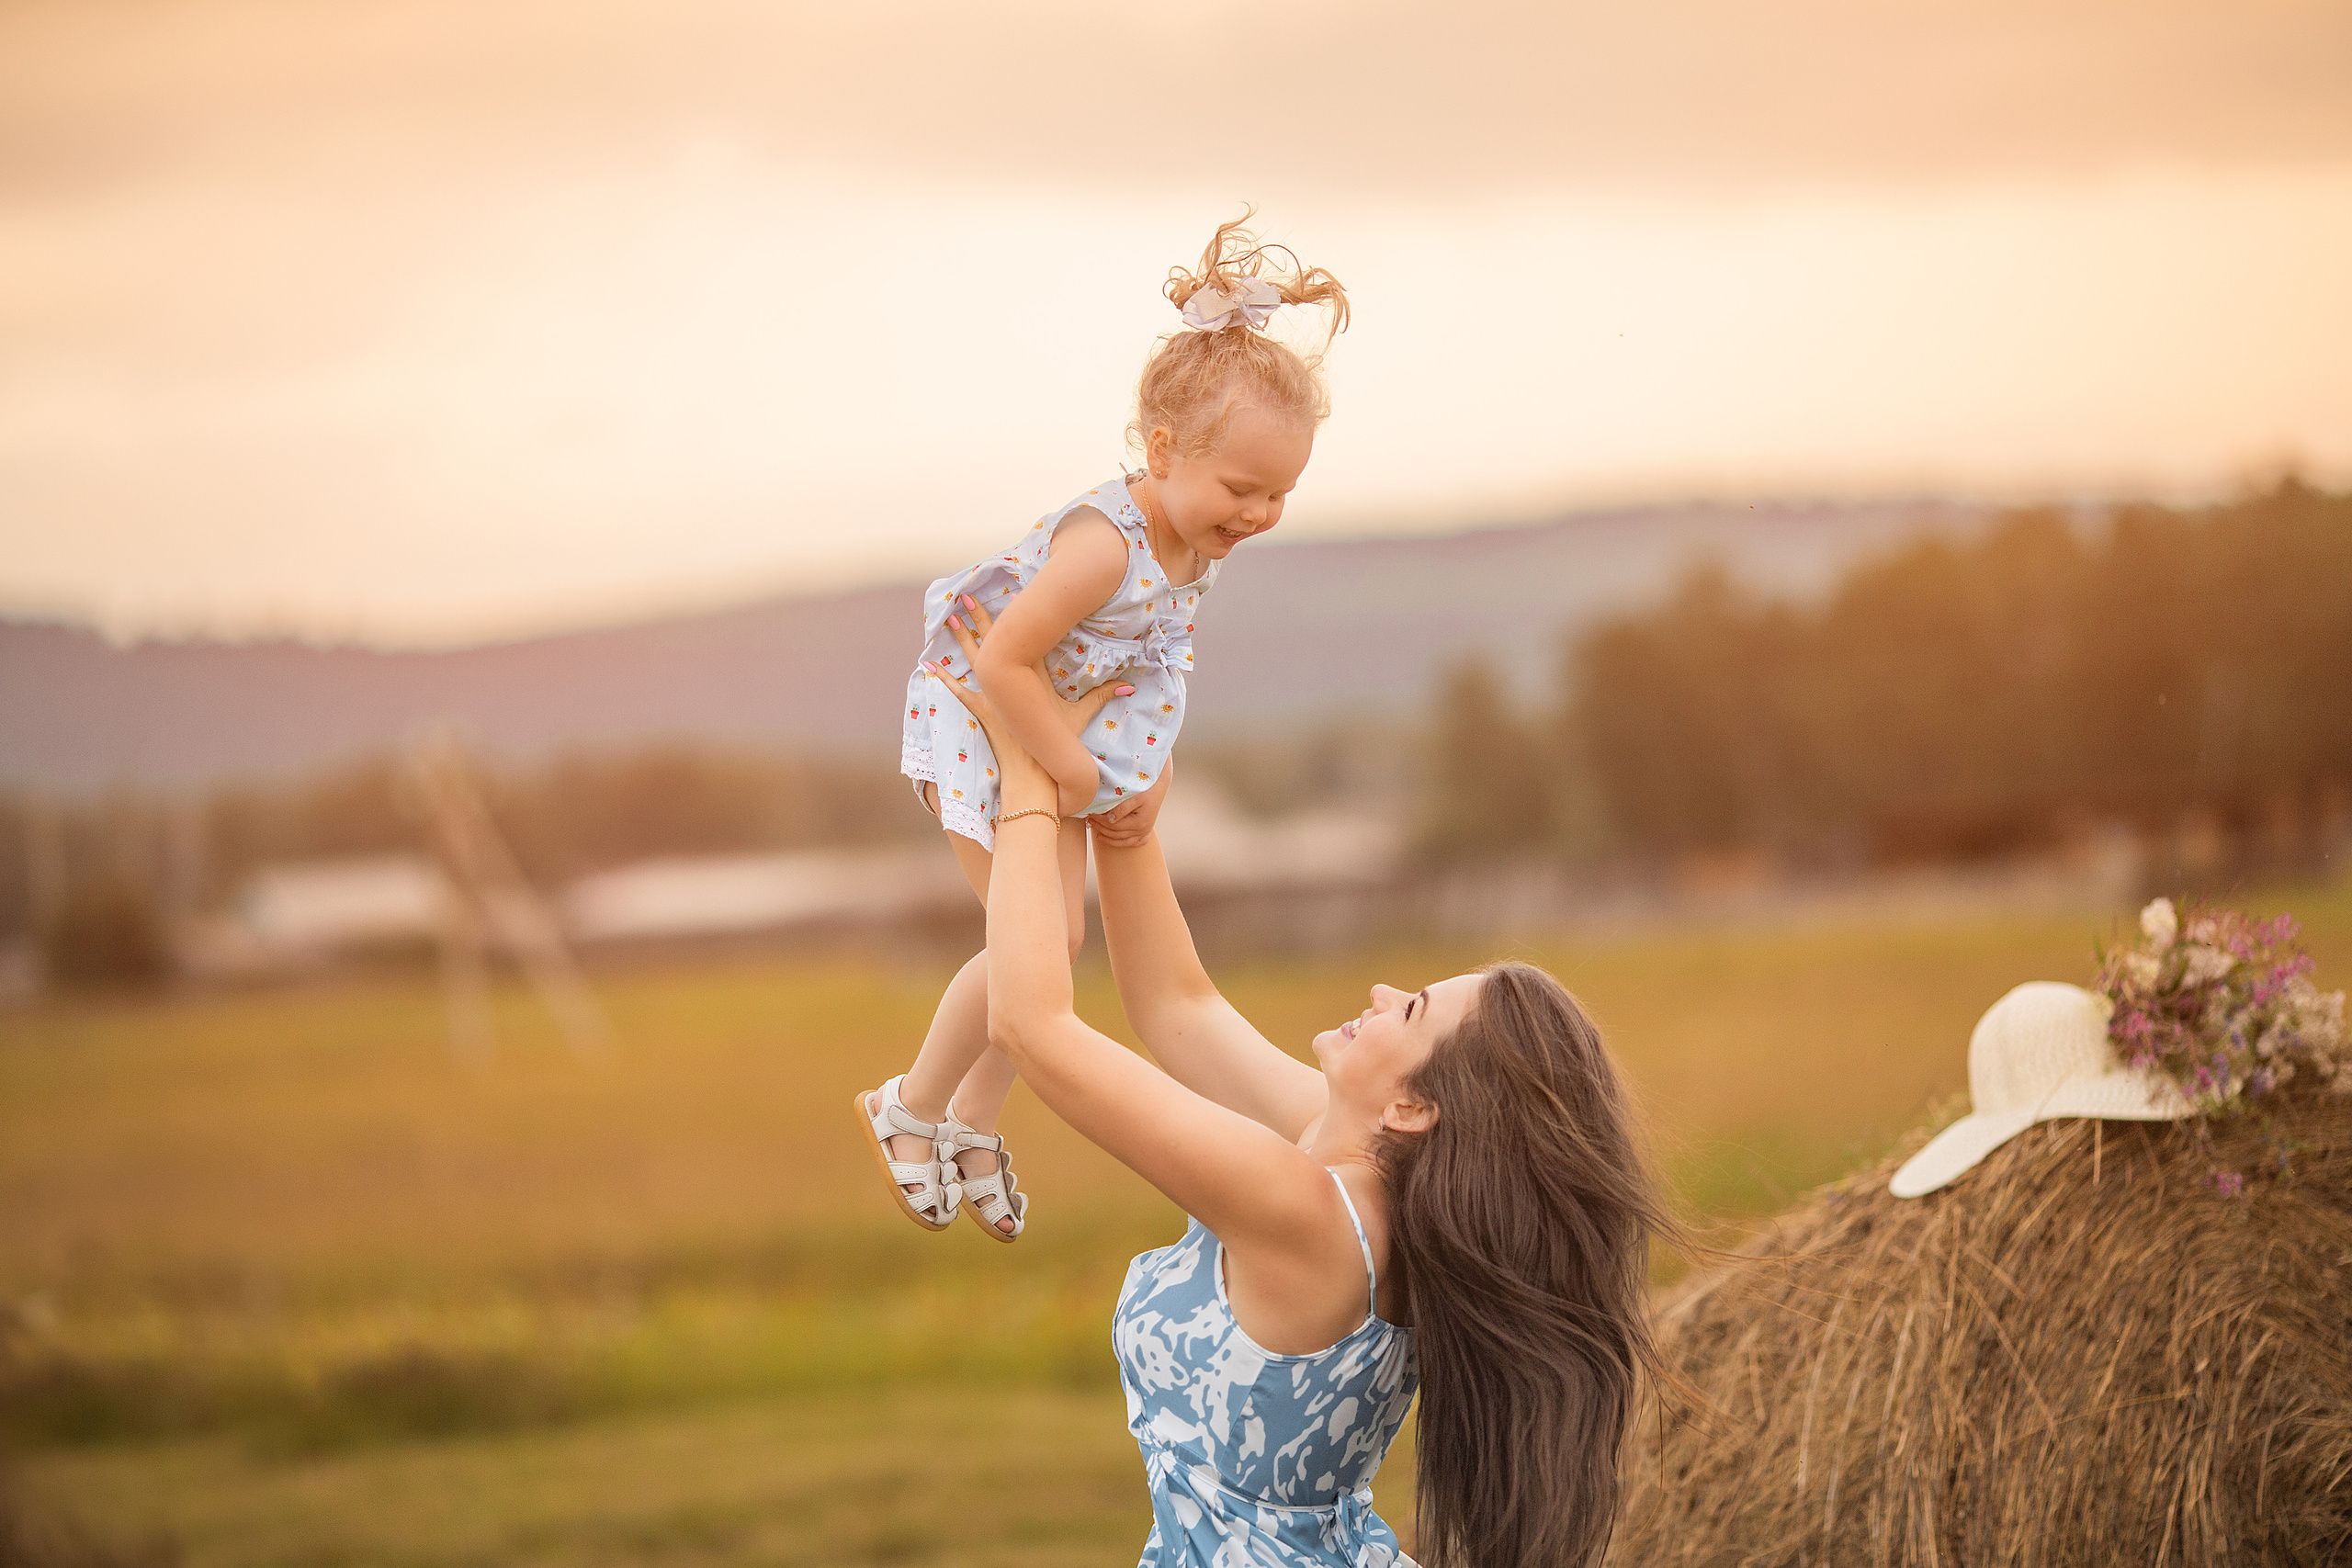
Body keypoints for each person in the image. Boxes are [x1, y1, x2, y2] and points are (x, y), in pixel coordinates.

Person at [916, 607, 1681, 1568]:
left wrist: (1029, 779)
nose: (1379, 992)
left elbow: (1032, 1025)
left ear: (1414, 1107)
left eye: (1409, 1011)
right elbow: (1177, 1008)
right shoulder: (1370, 1184)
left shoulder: (1302, 1209)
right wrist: (1127, 815)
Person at [859, 212, 1349, 1239]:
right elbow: (1001, 659)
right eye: (1240, 487)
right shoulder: (1101, 546)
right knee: (1030, 942)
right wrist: (1074, 771)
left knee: (1056, 942)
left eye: (1281, 494)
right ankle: (910, 1102)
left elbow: (1156, 657)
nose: (1258, 514)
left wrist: (1145, 770)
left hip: (1057, 734)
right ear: (1162, 449)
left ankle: (973, 1119)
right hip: (979, 718)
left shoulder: (1191, 548)